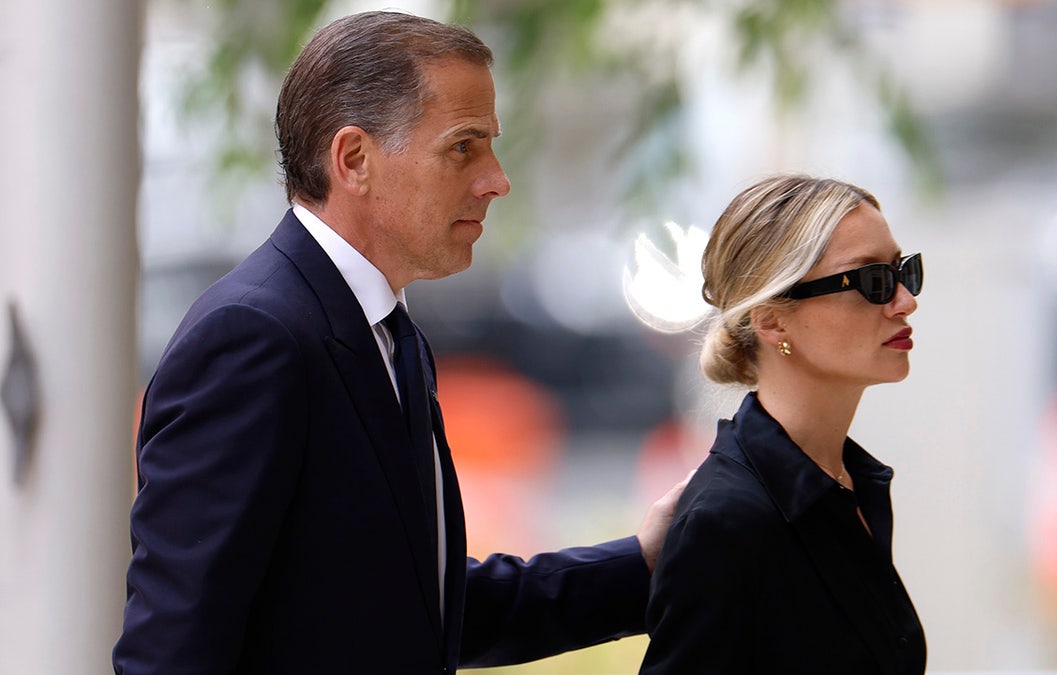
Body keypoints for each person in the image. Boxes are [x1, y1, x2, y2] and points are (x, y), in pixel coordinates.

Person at [113, 11, 687, 674]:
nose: (497, 178)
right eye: (463, 146)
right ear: (354, 160)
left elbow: (422, 608)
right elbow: (172, 653)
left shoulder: (390, 334)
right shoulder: (252, 339)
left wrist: (644, 560)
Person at [639, 175, 927, 674]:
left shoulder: (849, 483)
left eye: (905, 272)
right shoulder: (729, 520)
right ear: (772, 321)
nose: (905, 301)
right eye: (872, 280)